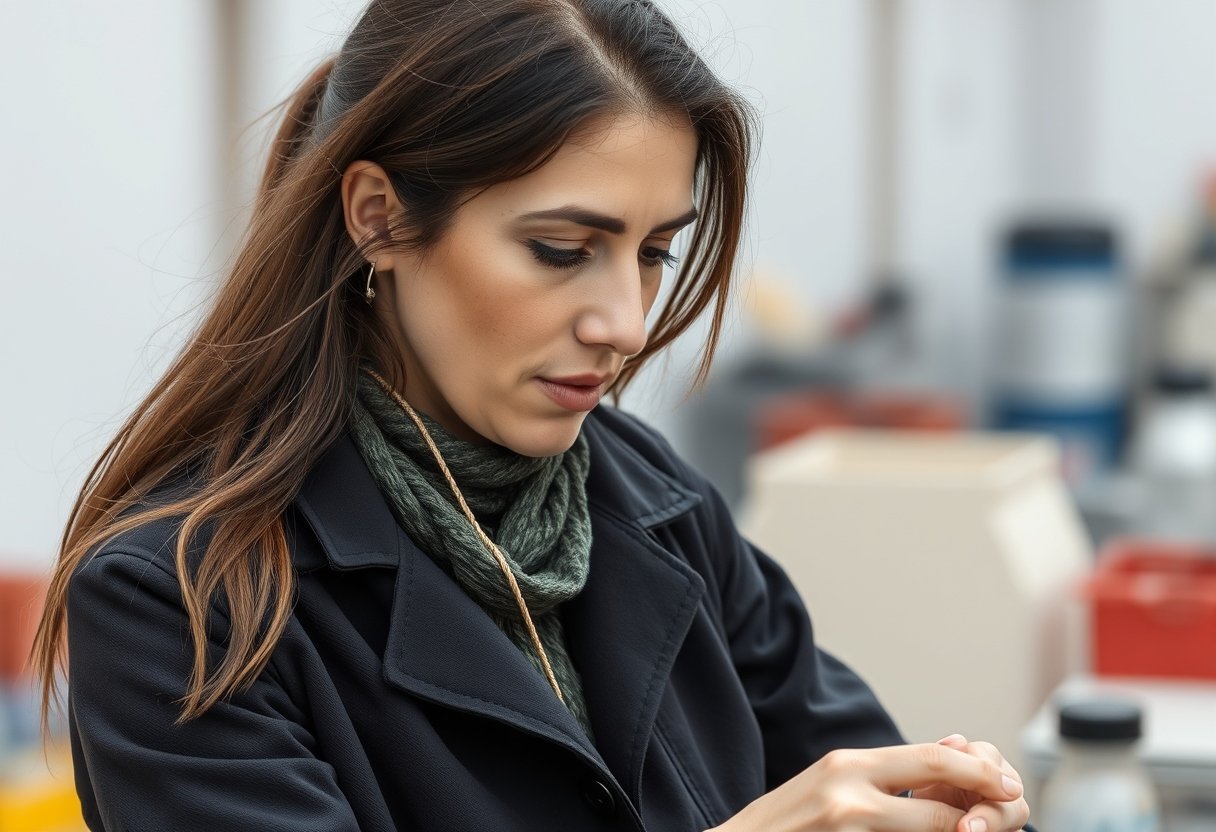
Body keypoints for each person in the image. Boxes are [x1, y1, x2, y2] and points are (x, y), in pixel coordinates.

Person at [32, 1, 1034, 830]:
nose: (627, 325)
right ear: (377, 216)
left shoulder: (651, 499)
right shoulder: (183, 600)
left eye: (653, 252)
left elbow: (849, 761)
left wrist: (945, 800)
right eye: (562, 249)